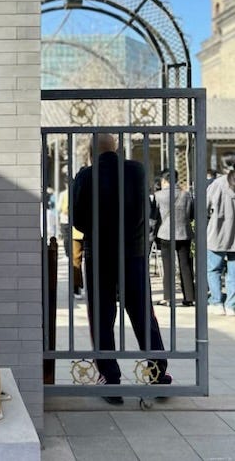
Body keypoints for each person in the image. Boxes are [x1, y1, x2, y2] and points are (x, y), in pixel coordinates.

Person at [73, 134, 171, 404]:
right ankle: (157, 374)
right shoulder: (136, 171)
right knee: (142, 314)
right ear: (116, 147)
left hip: (100, 254)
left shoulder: (85, 176)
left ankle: (110, 378)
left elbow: (78, 219)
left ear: (92, 152)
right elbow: (147, 210)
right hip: (134, 253)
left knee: (102, 317)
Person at [153, 169, 195, 307]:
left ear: (164, 181)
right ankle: (189, 297)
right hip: (184, 233)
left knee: (168, 265)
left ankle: (168, 297)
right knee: (186, 265)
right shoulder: (186, 195)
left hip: (165, 234)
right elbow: (191, 214)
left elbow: (155, 217)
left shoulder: (158, 196)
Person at [206, 152, 235, 316]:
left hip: (216, 233)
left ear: (223, 166)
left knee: (213, 269)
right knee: (233, 273)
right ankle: (231, 305)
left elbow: (203, 207)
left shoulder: (217, 184)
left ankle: (217, 302)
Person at [58, 186, 84, 298]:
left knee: (76, 261)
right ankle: (76, 288)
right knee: (76, 261)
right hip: (80, 231)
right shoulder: (74, 194)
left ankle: (77, 288)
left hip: (78, 230)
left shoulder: (74, 193)